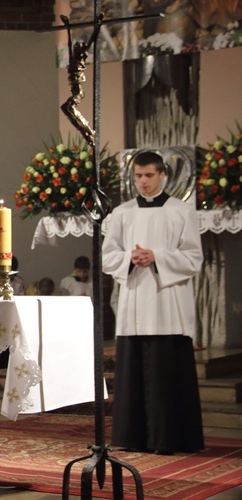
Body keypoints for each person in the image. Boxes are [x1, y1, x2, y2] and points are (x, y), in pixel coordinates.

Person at [102, 150, 204, 454]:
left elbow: (193, 258)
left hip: (167, 302)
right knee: (133, 370)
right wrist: (129, 258)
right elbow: (108, 256)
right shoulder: (122, 213)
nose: (142, 182)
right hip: (134, 301)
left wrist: (157, 256)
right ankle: (131, 437)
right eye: (138, 176)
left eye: (148, 175)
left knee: (166, 371)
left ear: (162, 175)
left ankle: (171, 438)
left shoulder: (181, 211)